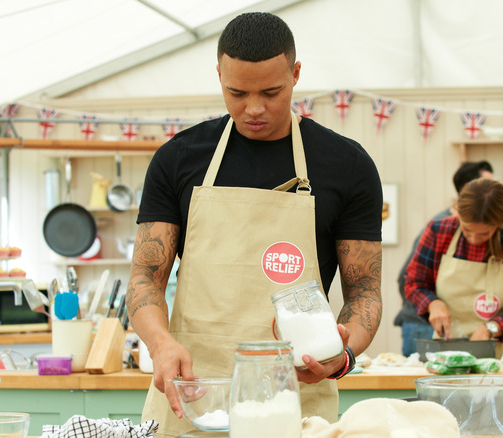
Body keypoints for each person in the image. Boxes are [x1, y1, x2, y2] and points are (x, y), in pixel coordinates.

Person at [127, 12, 383, 435]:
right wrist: (160, 343)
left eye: (271, 91)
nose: (254, 109)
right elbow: (144, 277)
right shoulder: (178, 158)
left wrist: (344, 353)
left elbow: (365, 291)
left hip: (295, 401)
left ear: (296, 74)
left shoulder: (347, 166)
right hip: (191, 399)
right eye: (237, 93)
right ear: (219, 75)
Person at [404, 178, 503, 358]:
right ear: (458, 214)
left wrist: (491, 328)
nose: (474, 239)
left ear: (500, 223)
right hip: (446, 351)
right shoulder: (438, 232)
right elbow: (414, 283)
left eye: (484, 233)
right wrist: (433, 303)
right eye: (467, 230)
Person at [394, 161, 493, 356]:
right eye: (487, 186)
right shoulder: (440, 227)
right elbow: (406, 279)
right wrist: (431, 305)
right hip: (424, 324)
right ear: (468, 190)